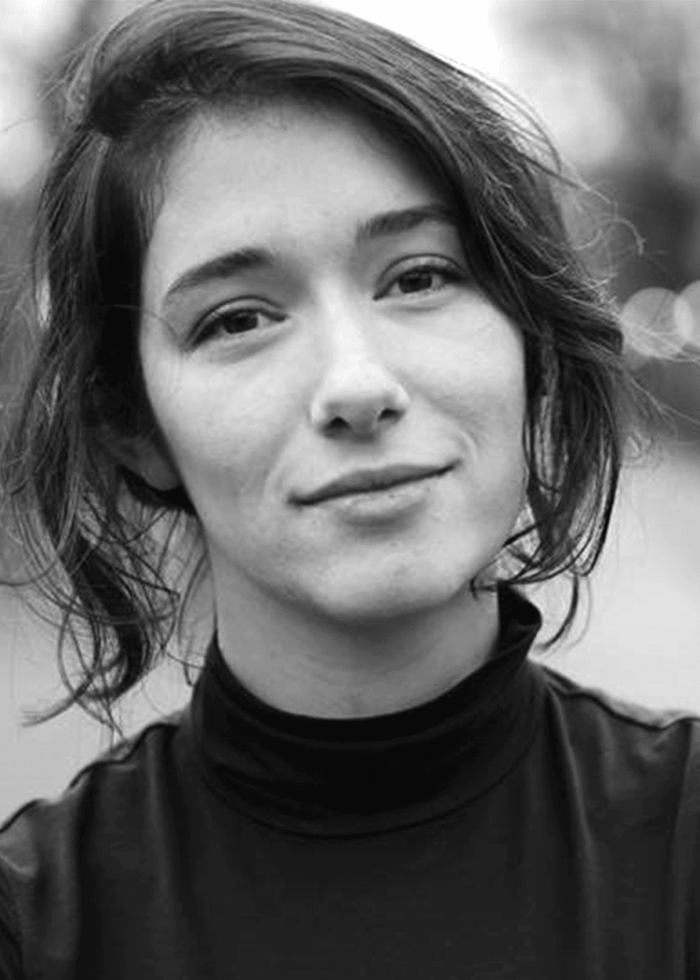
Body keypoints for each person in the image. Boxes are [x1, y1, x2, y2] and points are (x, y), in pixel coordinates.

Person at [0, 0, 697, 977]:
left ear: (529, 341)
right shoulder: (37, 926)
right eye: (238, 318)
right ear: (135, 423)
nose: (357, 385)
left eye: (417, 277)